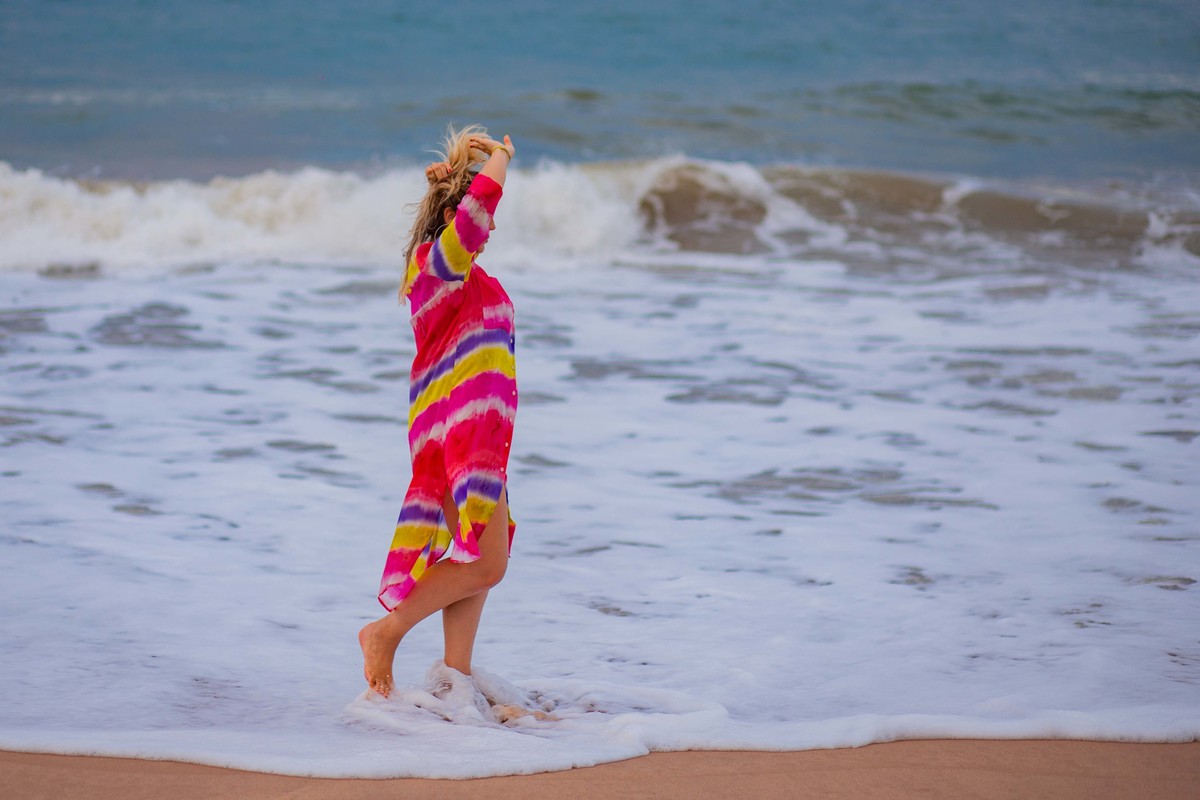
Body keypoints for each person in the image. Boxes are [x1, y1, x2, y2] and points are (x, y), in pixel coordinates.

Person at [359, 125, 518, 698]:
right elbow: (482, 207)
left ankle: (456, 678)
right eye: (483, 220)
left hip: (474, 436)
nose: (492, 227)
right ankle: (386, 632)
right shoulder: (439, 267)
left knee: (478, 553)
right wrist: (500, 155)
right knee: (488, 563)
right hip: (458, 437)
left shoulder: (454, 274)